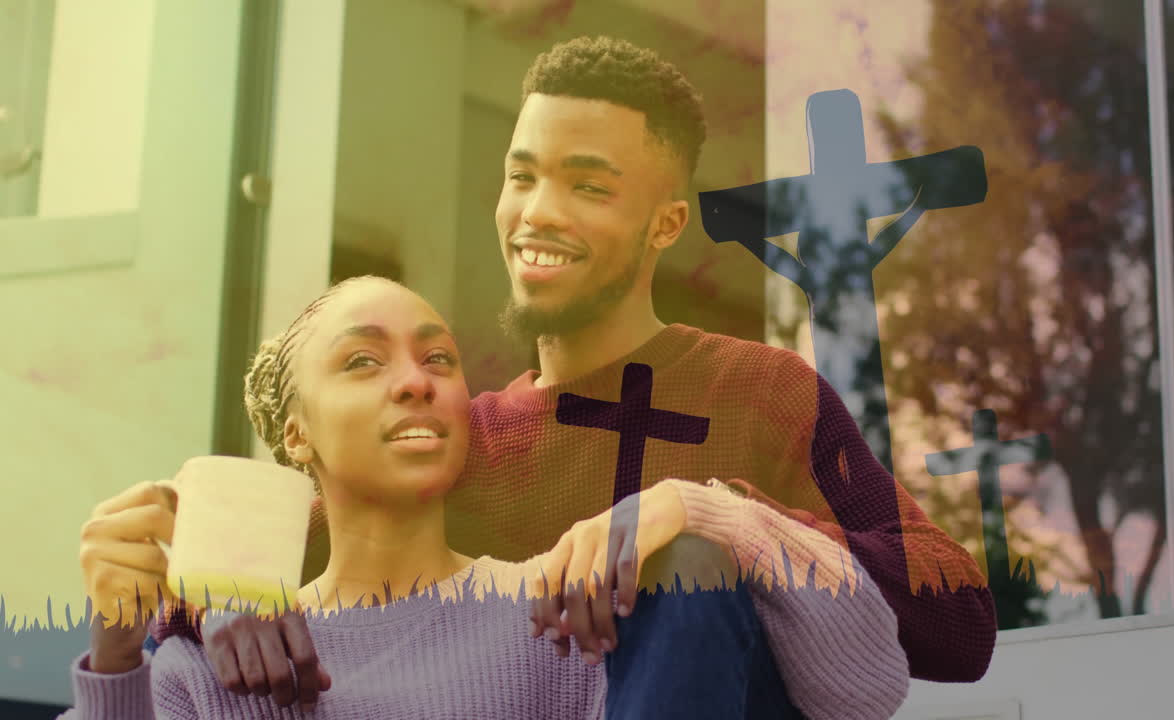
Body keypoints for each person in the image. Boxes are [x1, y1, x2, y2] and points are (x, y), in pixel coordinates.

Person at [177, 34, 996, 712]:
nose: (537, 213)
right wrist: (225, 603)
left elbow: (960, 625)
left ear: (665, 224)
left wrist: (713, 514)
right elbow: (288, 570)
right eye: (522, 176)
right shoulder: (465, 438)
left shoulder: (765, 394)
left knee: (690, 566)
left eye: (589, 186)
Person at [64, 276, 909, 719]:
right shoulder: (224, 664)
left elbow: (867, 683)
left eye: (438, 360)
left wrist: (705, 511)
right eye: (364, 362)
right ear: (295, 435)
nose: (414, 383)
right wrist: (113, 653)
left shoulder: (560, 613)